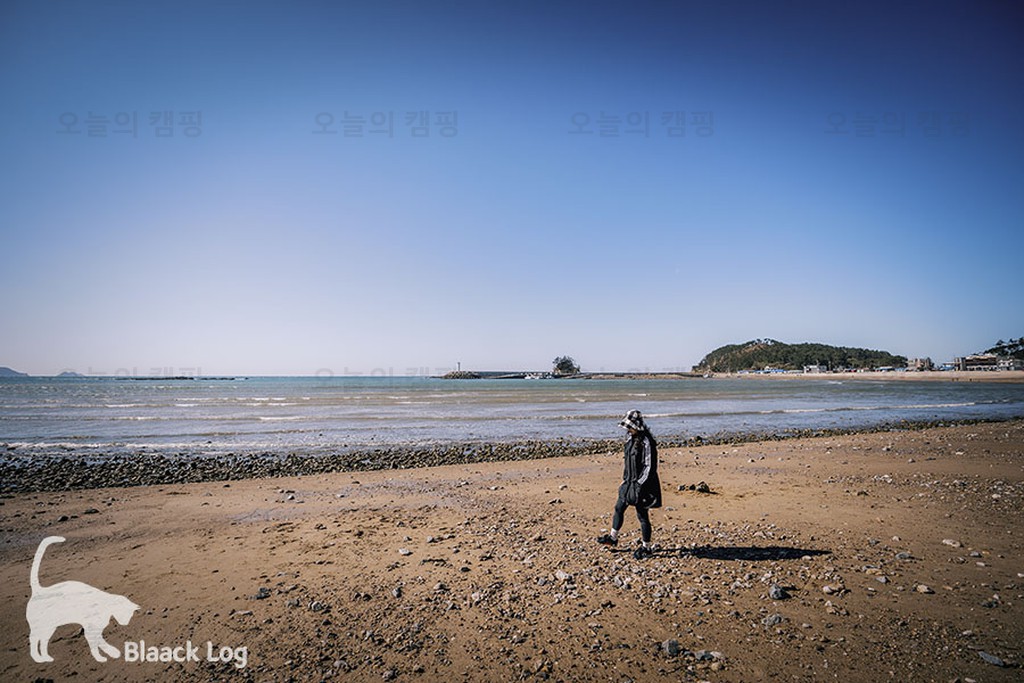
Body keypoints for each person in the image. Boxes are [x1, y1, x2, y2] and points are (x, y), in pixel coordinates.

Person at [597, 409, 662, 559]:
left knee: (642, 516)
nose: (628, 429)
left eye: (630, 427)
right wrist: (625, 480)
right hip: (628, 482)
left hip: (642, 485)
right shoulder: (629, 439)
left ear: (636, 426)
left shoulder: (647, 442)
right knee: (619, 508)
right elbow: (628, 462)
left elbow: (649, 466)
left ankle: (646, 547)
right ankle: (613, 538)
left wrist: (639, 484)